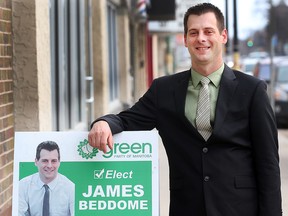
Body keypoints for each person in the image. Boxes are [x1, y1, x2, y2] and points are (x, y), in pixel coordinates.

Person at [88, 3, 282, 216]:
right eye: (194, 32)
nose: (201, 38)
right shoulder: (164, 90)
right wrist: (103, 122)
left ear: (223, 36)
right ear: (186, 39)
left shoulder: (252, 90)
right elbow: (127, 120)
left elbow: (268, 164)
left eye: (209, 31)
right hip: (187, 207)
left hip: (239, 208)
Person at [18, 141, 75, 216]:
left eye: (54, 161)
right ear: (36, 161)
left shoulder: (70, 188)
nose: (49, 165)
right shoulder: (23, 185)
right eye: (45, 161)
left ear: (59, 162)